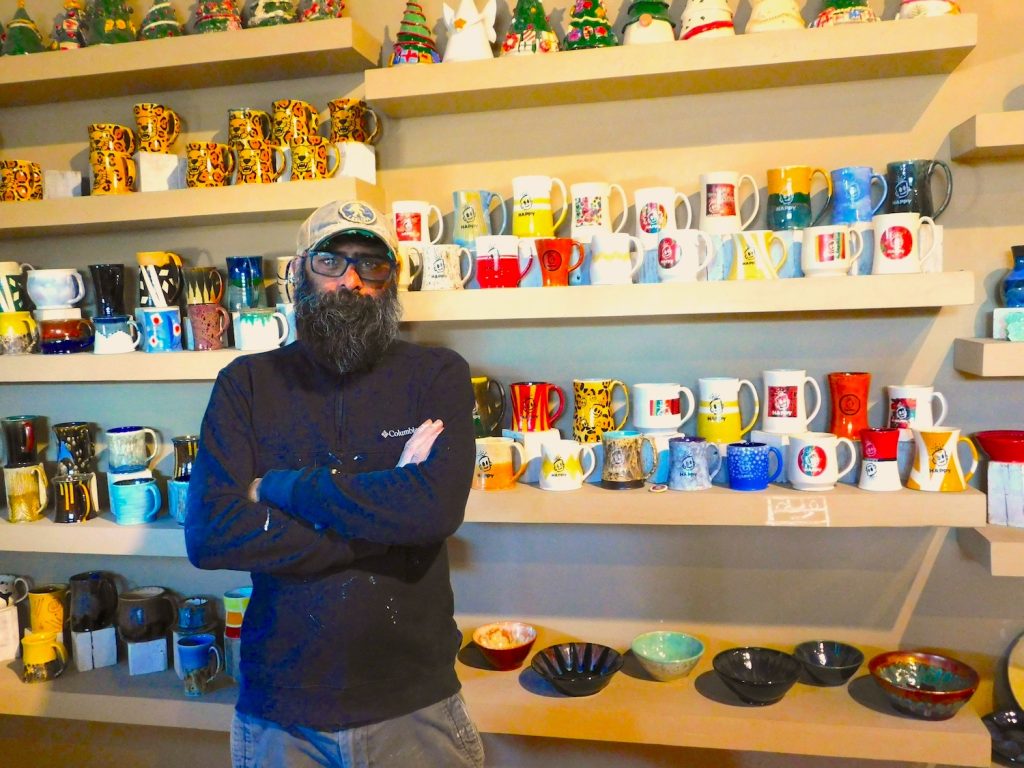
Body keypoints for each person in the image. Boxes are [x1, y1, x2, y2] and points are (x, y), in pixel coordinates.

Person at [184, 199, 483, 768]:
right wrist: (387, 513)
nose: (352, 281)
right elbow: (212, 534)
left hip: (414, 706)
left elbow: (435, 511)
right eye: (332, 261)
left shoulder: (436, 374)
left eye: (372, 265)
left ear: (391, 279)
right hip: (280, 713)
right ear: (298, 273)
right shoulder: (247, 383)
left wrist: (277, 488)